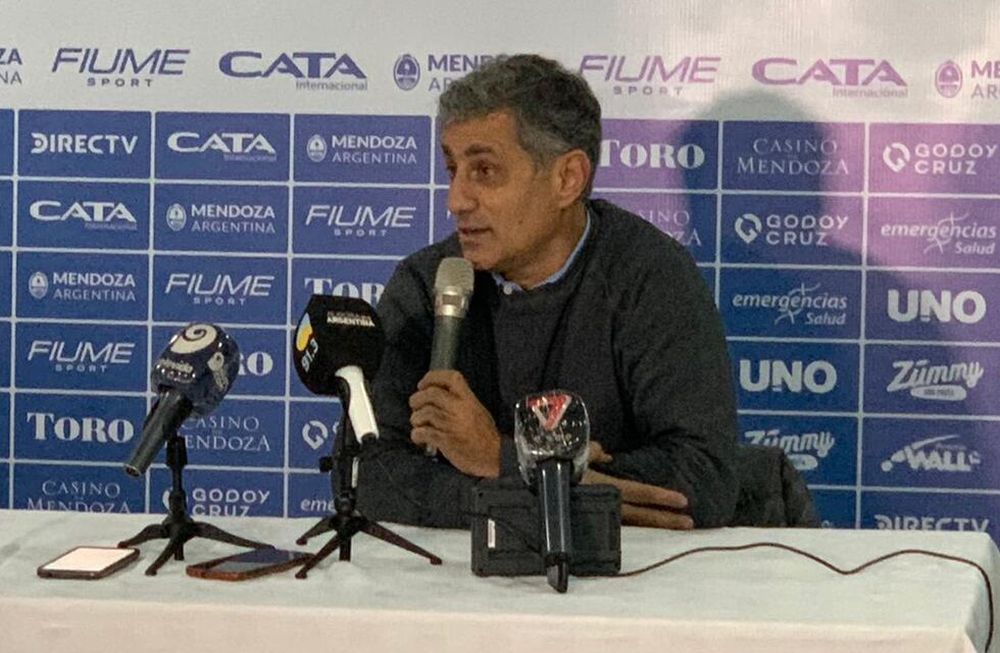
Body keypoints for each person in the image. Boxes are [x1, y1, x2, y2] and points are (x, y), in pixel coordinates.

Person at [356, 54, 738, 530]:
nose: (455, 200)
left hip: (623, 573)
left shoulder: (651, 277)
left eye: (484, 171)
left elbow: (703, 480)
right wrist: (553, 488)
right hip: (460, 573)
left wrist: (502, 458)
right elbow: (368, 476)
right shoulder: (427, 283)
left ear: (566, 179)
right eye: (453, 169)